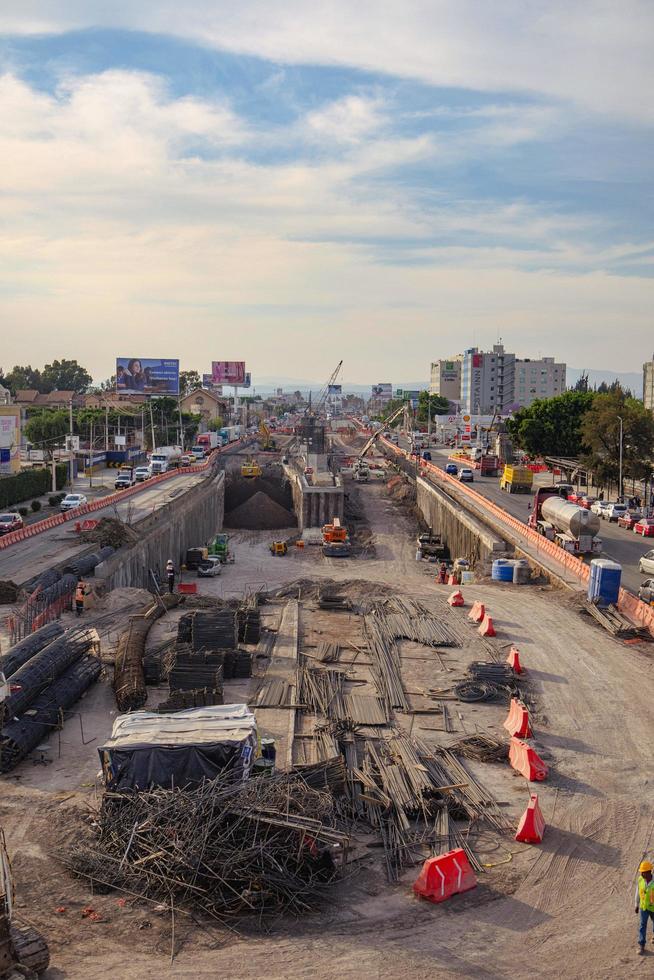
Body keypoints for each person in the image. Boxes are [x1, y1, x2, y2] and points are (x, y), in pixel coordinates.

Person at [635, 860, 654, 954]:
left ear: (649, 872)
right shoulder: (640, 880)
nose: (642, 874)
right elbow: (637, 892)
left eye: (643, 872)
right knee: (642, 925)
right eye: (641, 872)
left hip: (653, 908)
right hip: (643, 907)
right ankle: (641, 945)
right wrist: (636, 904)